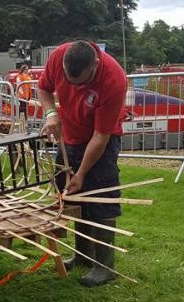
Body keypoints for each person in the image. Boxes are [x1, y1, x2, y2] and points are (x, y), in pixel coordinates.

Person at [38, 40, 127, 288]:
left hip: (101, 141)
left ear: (95, 65)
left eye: (82, 82)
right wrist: (51, 113)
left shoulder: (114, 79)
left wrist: (82, 172)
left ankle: (105, 266)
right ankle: (83, 255)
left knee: (101, 199)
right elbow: (43, 88)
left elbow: (101, 137)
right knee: (72, 197)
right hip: (70, 137)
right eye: (69, 80)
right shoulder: (58, 57)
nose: (75, 88)